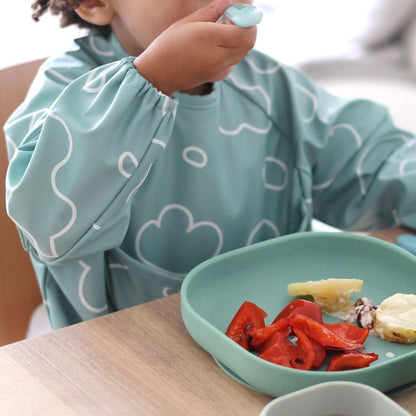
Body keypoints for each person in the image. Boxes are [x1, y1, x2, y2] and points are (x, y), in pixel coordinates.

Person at [4, 0, 416, 329]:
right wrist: (151, 81)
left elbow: (374, 161)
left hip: (276, 343)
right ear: (94, 2)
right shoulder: (68, 91)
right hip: (122, 358)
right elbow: (49, 223)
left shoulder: (268, 86)